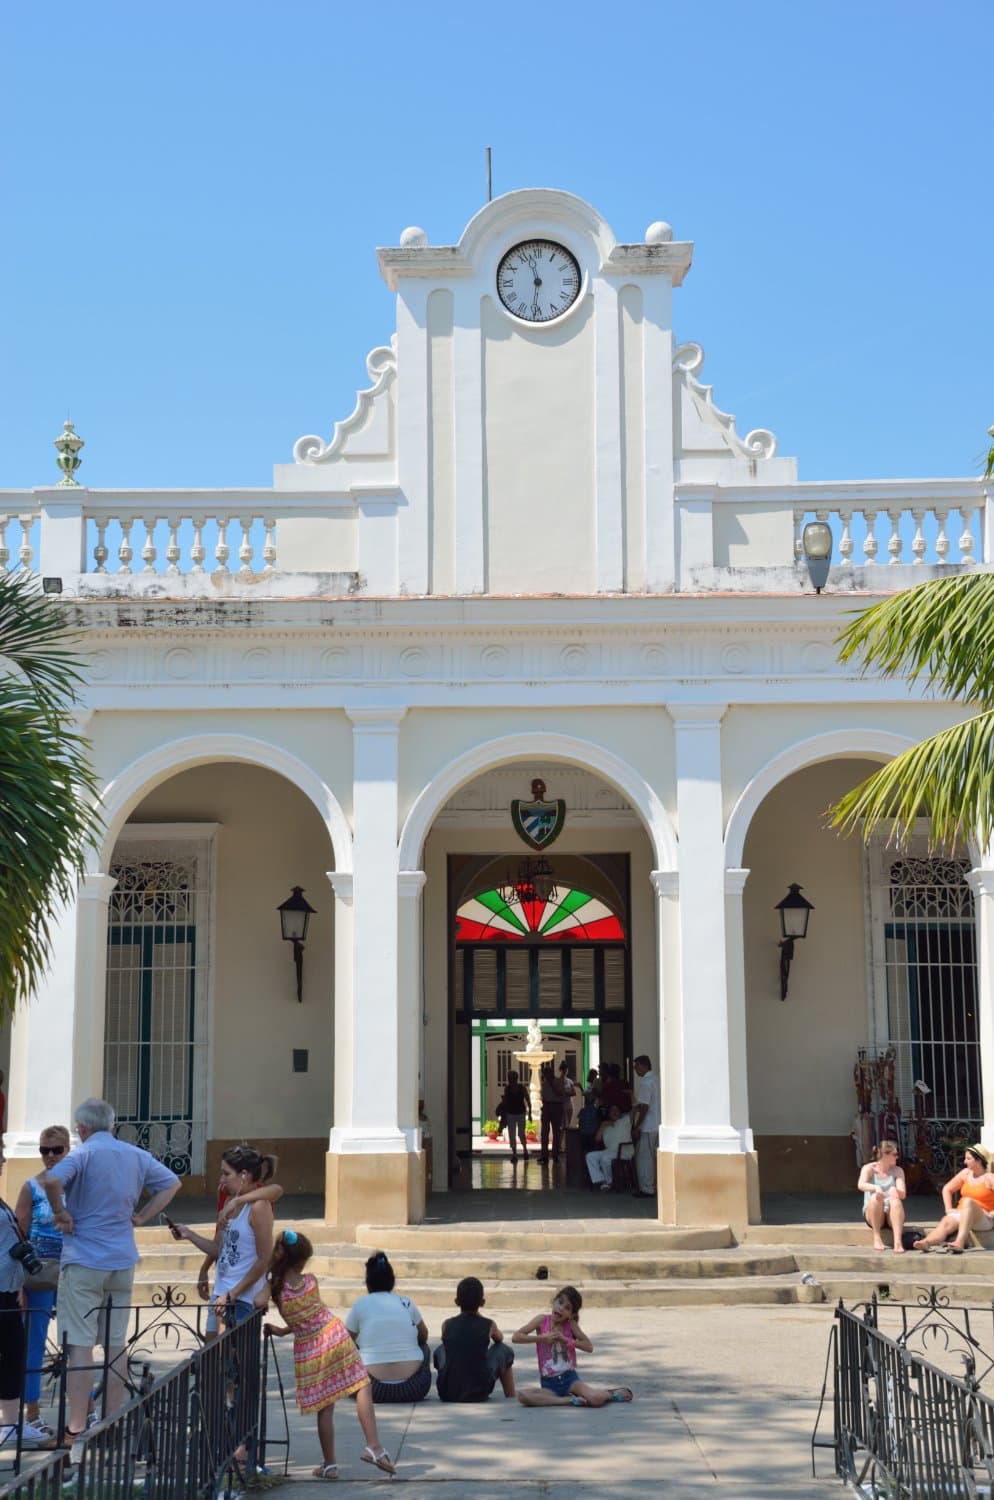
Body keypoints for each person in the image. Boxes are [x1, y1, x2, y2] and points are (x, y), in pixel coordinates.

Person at [38, 1097, 181, 1442]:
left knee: (80, 1347)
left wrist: (61, 1213)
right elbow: (172, 1183)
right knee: (116, 1344)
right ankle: (113, 1422)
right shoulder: (135, 1155)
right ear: (111, 1124)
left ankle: (76, 1428)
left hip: (85, 1259)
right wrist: (144, 1217)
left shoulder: (83, 1154)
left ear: (82, 1129)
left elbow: (52, 1181)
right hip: (121, 1258)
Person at [260, 1230, 395, 1479]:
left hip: (310, 1349)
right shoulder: (310, 1281)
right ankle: (374, 1446)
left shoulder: (275, 1287)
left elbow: (291, 1315)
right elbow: (313, 1313)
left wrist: (278, 1327)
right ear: (300, 1261)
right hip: (334, 1335)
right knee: (362, 1384)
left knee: (325, 1407)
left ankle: (330, 1465)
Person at [174, 1145, 277, 1330]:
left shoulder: (258, 1207)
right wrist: (189, 1235)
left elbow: (265, 1260)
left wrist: (233, 1294)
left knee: (228, 1355)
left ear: (244, 1175)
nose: (222, 1180)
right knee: (211, 1354)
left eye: (226, 1174)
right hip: (221, 1293)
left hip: (241, 1298)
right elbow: (219, 1248)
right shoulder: (229, 1202)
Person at [15, 1125, 70, 1432]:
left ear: (68, 1150)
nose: (50, 1156)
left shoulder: (79, 1184)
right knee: (34, 1342)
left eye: (56, 1150)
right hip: (39, 1273)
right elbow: (20, 1231)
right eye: (44, 1151)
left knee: (77, 1342)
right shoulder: (31, 1186)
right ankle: (32, 1414)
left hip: (74, 1270)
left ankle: (86, 1408)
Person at [0, 1144, 51, 1449]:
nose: (4, 1160)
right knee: (11, 1354)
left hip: (7, 1289)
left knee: (13, 1356)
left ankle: (10, 1425)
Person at [512, 1286, 632, 1407]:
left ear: (571, 1314)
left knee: (595, 1399)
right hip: (549, 1384)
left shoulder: (570, 1325)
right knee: (523, 1396)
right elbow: (516, 1337)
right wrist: (542, 1338)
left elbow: (589, 1347)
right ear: (553, 1301)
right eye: (560, 1302)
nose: (561, 1308)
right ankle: (569, 1400)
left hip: (570, 1380)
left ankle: (610, 1394)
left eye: (567, 1308)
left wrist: (566, 1340)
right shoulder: (542, 1320)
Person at [345, 1251, 431, 1403]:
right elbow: (424, 1335)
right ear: (392, 1281)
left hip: (371, 1390)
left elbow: (345, 1342)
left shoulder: (360, 1304)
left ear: (368, 1282)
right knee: (424, 1348)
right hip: (413, 1388)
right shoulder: (406, 1303)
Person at [433, 1277, 515, 1402]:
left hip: (447, 1392)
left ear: (456, 1301)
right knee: (505, 1350)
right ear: (482, 1302)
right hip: (479, 1391)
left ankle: (450, 1381)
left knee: (441, 1349)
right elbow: (499, 1339)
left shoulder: (446, 1324)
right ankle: (511, 1396)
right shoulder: (489, 1324)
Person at [913, 1145, 994, 1253]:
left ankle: (959, 1242)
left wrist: (992, 1214)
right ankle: (927, 1242)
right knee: (947, 1221)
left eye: (968, 1159)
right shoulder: (965, 1173)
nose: (965, 1161)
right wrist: (948, 1209)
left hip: (983, 1219)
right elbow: (947, 1189)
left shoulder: (989, 1178)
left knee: (968, 1201)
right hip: (963, 1213)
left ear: (979, 1160)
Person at [857, 1140, 907, 1253]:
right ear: (885, 1155)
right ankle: (877, 1237)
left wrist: (895, 1190)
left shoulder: (898, 1171)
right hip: (874, 1213)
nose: (897, 1157)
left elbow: (903, 1194)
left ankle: (898, 1241)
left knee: (896, 1201)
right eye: (894, 1154)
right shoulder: (869, 1168)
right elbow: (861, 1184)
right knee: (875, 1198)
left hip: (891, 1213)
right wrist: (875, 1188)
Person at [585, 1104, 633, 1191]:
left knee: (605, 1158)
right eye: (612, 1111)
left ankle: (609, 1182)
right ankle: (602, 1180)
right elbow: (597, 1139)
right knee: (590, 1156)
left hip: (624, 1152)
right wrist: (603, 1125)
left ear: (620, 1113)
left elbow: (635, 1110)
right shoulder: (606, 1126)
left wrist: (632, 1095)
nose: (614, 1112)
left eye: (616, 1111)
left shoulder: (624, 1121)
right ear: (608, 1114)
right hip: (610, 1151)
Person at [631, 1055, 660, 1199]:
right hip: (658, 1124)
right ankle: (656, 1185)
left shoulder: (646, 1082)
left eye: (636, 1066)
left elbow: (644, 1107)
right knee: (655, 1157)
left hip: (648, 1126)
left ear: (643, 1066)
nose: (635, 1070)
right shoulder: (657, 1079)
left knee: (644, 1158)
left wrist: (637, 1126)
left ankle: (647, 1188)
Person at [497, 1071, 530, 1161]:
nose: (509, 1079)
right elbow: (506, 1101)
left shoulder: (521, 1088)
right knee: (512, 1133)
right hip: (511, 1113)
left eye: (511, 1078)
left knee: (521, 1133)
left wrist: (530, 1112)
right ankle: (514, 1153)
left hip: (520, 1113)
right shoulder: (507, 1089)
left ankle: (525, 1150)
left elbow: (527, 1099)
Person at [538, 1064, 565, 1163]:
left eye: (546, 1074)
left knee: (556, 1131)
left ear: (550, 1073)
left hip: (556, 1106)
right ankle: (544, 1155)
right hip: (546, 1106)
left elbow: (561, 1094)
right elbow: (543, 1095)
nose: (545, 1076)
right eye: (544, 1074)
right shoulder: (544, 1084)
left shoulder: (558, 1081)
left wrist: (552, 1085)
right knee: (544, 1132)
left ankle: (555, 1154)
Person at [558, 1062, 576, 1132]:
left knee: (568, 1125)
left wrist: (565, 1092)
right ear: (560, 1070)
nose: (565, 1071)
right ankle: (561, 1141)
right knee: (562, 1124)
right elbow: (557, 1093)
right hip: (561, 1105)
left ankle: (566, 1141)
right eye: (564, 1070)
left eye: (566, 1070)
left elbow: (574, 1092)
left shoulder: (569, 1081)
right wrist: (566, 1092)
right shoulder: (558, 1081)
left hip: (569, 1105)